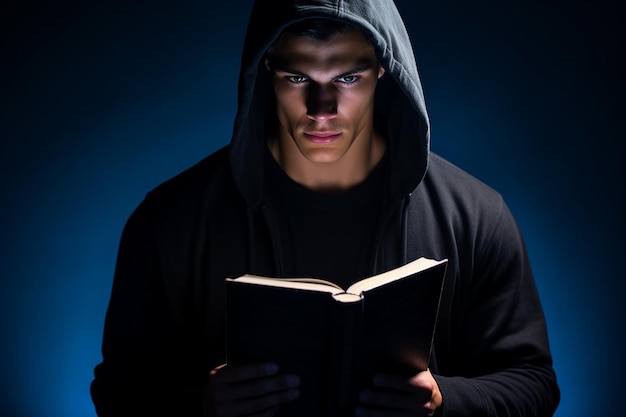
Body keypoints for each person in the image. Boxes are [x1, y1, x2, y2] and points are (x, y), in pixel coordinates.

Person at [91, 0, 560, 416]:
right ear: (264, 71)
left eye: (347, 77)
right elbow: (117, 392)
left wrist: (444, 401)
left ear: (383, 69)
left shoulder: (475, 215)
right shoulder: (173, 219)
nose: (321, 108)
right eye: (297, 77)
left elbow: (534, 384)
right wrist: (199, 406)